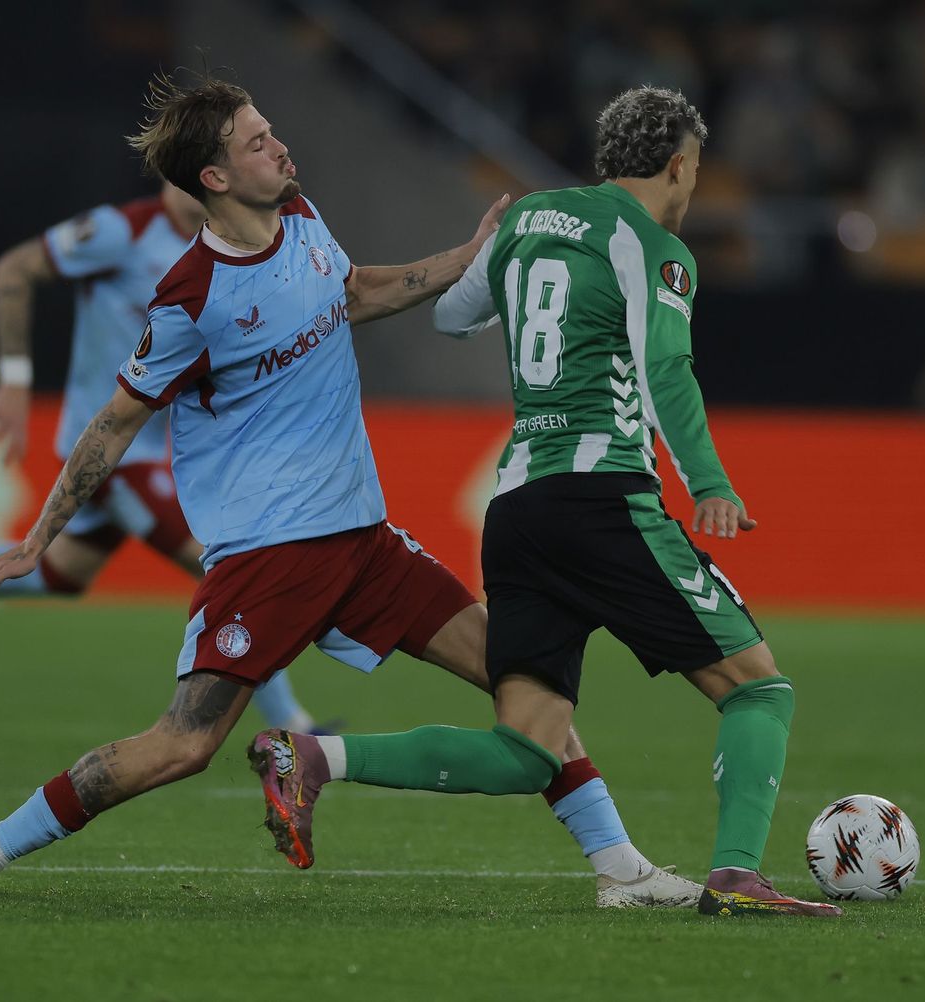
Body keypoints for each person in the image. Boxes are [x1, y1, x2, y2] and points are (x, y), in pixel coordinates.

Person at [0, 73, 699, 909]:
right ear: (215, 178)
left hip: (364, 541)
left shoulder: (302, 218)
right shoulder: (191, 298)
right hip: (269, 555)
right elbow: (114, 423)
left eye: (271, 130)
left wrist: (466, 259)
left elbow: (353, 292)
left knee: (522, 677)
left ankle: (621, 871)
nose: (280, 148)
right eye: (257, 142)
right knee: (183, 745)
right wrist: (37, 540)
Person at [249, 86, 842, 918]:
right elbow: (667, 368)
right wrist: (708, 481)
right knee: (757, 689)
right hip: (604, 503)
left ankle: (314, 758)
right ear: (678, 166)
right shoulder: (656, 247)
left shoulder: (528, 217)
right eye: (696, 169)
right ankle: (738, 876)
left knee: (527, 749)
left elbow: (453, 318)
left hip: (519, 511)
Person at [0, 181, 320, 731]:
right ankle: (293, 726)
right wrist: (14, 380)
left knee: (65, 571)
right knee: (228, 566)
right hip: (110, 455)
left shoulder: (224, 248)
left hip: (157, 451)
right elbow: (15, 268)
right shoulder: (121, 232)